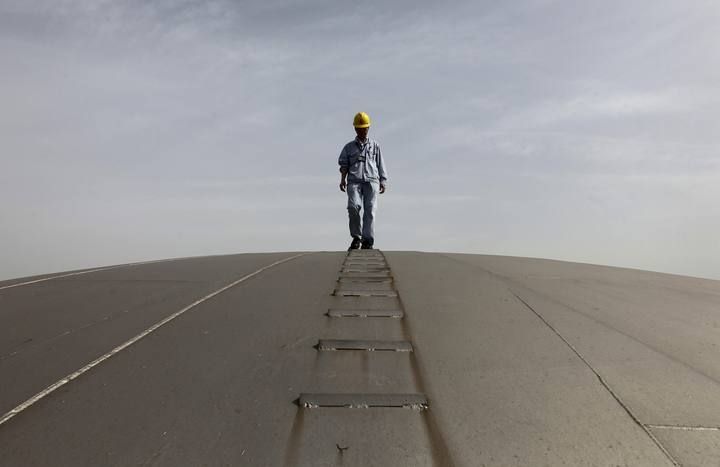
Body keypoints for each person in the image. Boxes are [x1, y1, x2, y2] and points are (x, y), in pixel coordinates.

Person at [338, 112, 388, 250]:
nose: (363, 131)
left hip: (372, 181)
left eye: (365, 128)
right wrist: (343, 180)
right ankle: (356, 237)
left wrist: (383, 180)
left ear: (368, 128)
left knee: (370, 210)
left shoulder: (375, 146)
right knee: (353, 207)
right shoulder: (348, 147)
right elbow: (343, 165)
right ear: (355, 129)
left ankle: (368, 241)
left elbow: (380, 163)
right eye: (361, 128)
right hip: (354, 181)